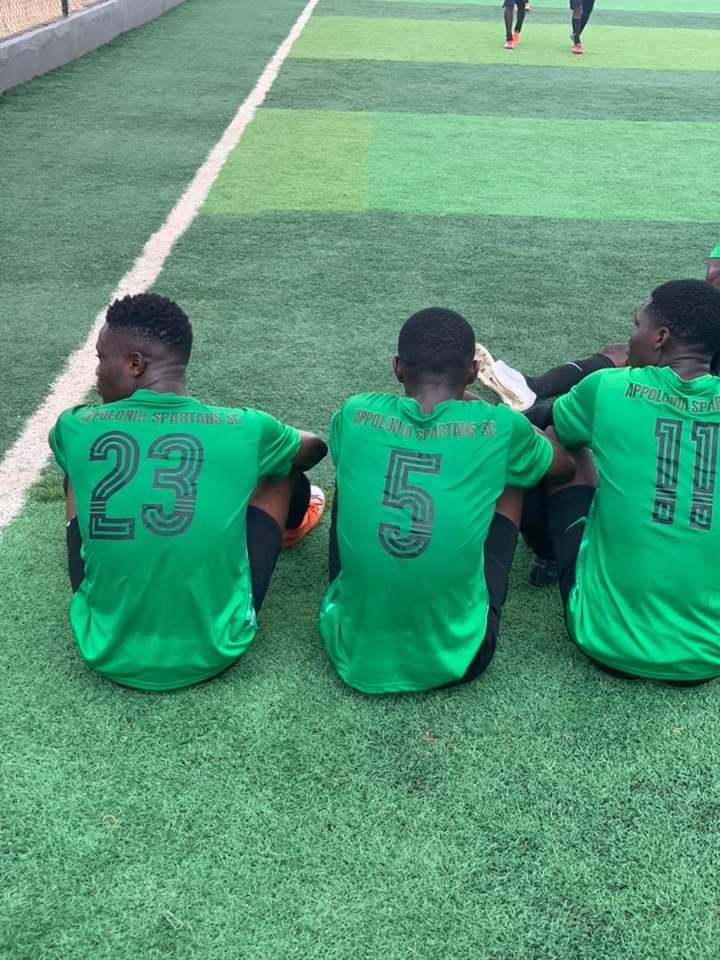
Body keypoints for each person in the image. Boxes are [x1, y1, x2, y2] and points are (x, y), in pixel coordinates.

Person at [49, 293, 327, 690]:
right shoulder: (244, 426)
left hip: (103, 645)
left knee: (78, 470)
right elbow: (314, 448)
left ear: (134, 364)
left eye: (100, 358)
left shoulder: (75, 425)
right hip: (213, 648)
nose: (97, 372)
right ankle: (294, 526)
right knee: (281, 470)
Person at [319, 307, 575, 695]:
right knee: (514, 471)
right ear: (473, 372)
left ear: (397, 367)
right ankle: (547, 561)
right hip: (460, 658)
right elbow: (563, 468)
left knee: (355, 469)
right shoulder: (499, 426)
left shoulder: (356, 412)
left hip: (350, 646)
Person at [482, 281, 720, 684]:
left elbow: (541, 427)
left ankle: (549, 558)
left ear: (660, 338)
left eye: (638, 325)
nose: (631, 338)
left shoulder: (610, 387)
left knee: (558, 445)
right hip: (709, 655)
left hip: (605, 640)